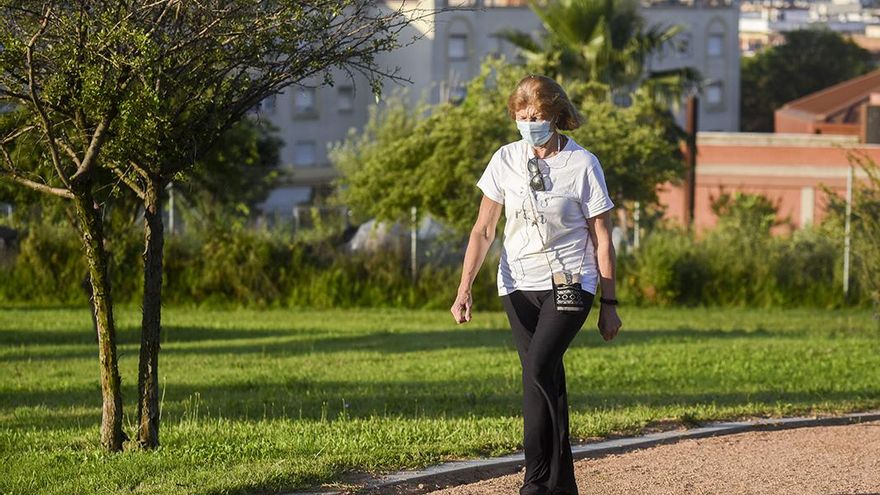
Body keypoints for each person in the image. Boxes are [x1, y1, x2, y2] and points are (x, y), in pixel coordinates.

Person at [450, 74, 622, 495]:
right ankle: (559, 486)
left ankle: (535, 482)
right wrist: (464, 288)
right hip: (516, 283)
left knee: (540, 367)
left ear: (557, 116)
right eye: (523, 116)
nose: (531, 123)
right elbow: (483, 230)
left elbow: (602, 237)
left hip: (570, 281)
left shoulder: (583, 164)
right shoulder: (505, 159)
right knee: (542, 377)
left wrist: (610, 302)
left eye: (539, 116)